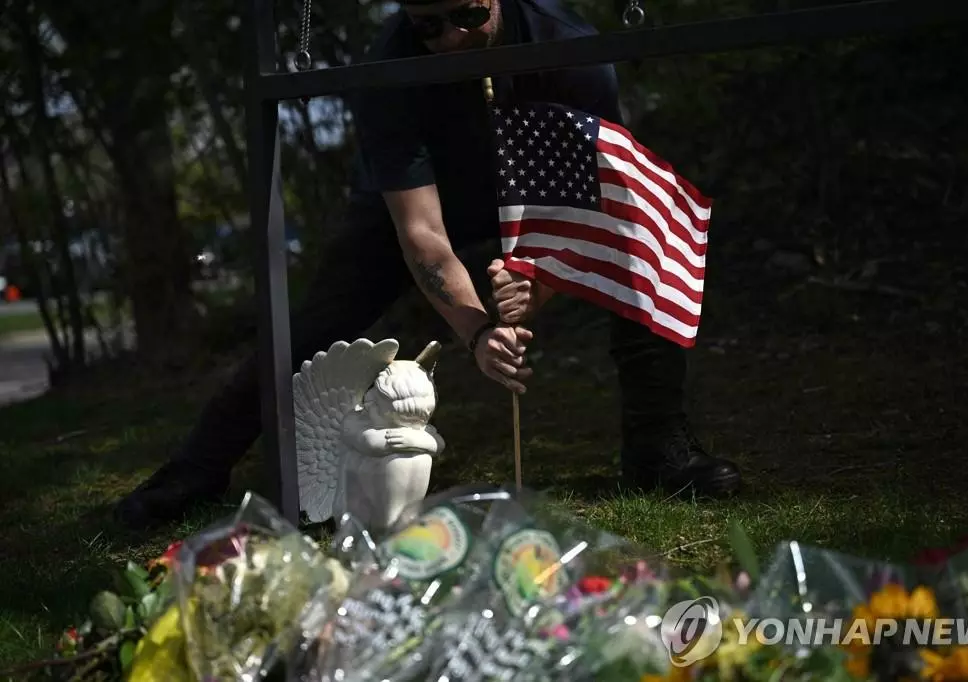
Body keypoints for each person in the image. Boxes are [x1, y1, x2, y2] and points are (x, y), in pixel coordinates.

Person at [113, 0, 741, 530]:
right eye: (429, 26)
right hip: (422, 203)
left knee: (638, 248)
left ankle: (659, 448)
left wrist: (533, 291)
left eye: (468, 15)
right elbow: (423, 236)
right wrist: (477, 331)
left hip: (539, 194)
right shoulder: (388, 68)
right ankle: (196, 469)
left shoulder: (569, 47)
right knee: (308, 328)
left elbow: (585, 211)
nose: (451, 39)